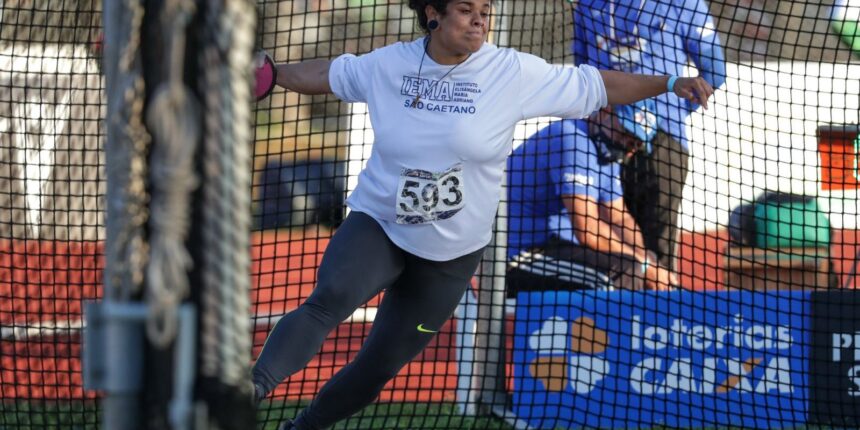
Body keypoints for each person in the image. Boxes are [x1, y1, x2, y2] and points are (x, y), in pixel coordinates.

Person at [251, 1, 714, 428]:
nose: (479, 20)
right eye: (466, 9)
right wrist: (271, 74)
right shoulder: (390, 64)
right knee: (329, 298)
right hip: (382, 224)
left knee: (378, 366)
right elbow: (330, 73)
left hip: (450, 255)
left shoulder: (509, 71)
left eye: (485, 10)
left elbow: (599, 84)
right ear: (433, 13)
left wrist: (670, 83)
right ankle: (248, 392)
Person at [573, 0, 727, 272]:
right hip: (602, 141)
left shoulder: (682, 3)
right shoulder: (587, 4)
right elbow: (581, 73)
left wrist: (673, 115)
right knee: (609, 248)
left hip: (662, 142)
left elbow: (714, 70)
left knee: (657, 254)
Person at [506, 118, 677, 294]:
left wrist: (645, 258)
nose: (630, 148)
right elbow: (587, 230)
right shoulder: (572, 137)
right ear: (607, 111)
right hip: (521, 255)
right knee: (626, 271)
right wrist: (643, 264)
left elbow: (620, 217)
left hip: (561, 248)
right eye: (626, 134)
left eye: (636, 143)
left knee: (647, 267)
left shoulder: (609, 152)